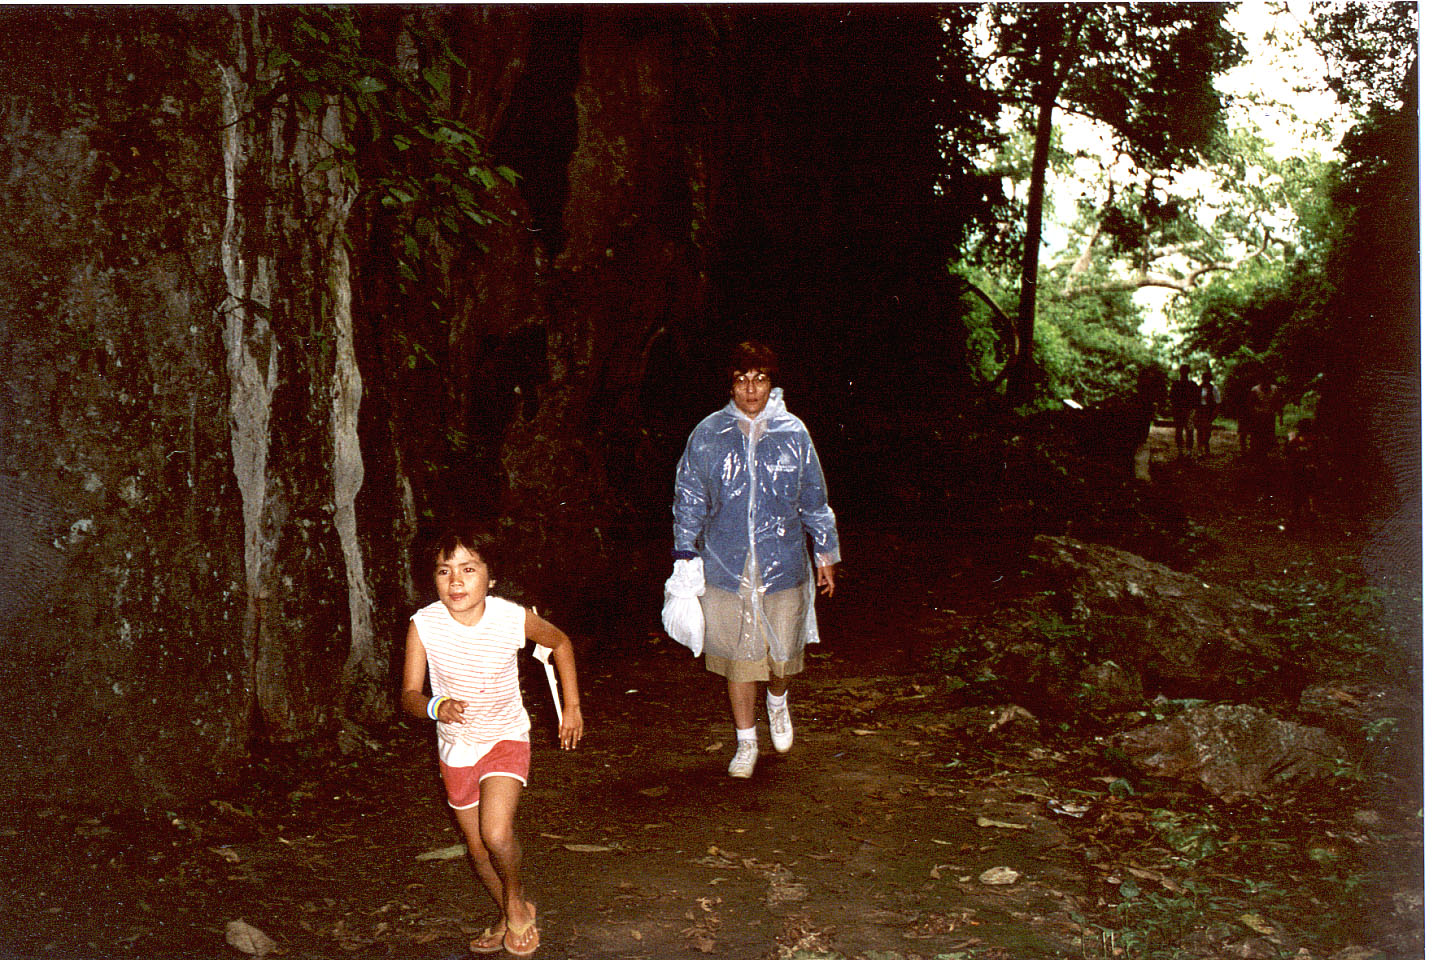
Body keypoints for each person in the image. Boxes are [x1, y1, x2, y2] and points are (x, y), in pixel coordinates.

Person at [401, 528, 583, 958]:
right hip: (456, 747)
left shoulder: (509, 617)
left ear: (491, 577)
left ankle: (515, 902)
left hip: (505, 736)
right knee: (478, 848)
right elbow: (409, 695)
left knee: (496, 832)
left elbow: (560, 642)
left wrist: (572, 707)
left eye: (468, 569)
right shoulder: (423, 625)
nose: (456, 582)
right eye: (445, 571)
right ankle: (507, 909)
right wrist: (434, 706)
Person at [672, 341, 841, 779]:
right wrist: (684, 553)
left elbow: (814, 498)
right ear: (730, 384)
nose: (751, 389)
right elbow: (689, 497)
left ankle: (778, 702)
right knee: (736, 656)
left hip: (782, 561)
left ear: (773, 382)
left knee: (783, 653)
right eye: (742, 379)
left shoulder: (794, 433)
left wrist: (825, 552)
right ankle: (746, 741)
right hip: (725, 565)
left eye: (760, 379)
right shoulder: (708, 434)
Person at [1285, 417, 1321, 525]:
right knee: (1308, 493)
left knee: (1298, 494)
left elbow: (1288, 454)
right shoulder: (1313, 441)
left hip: (1299, 472)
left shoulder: (1296, 442)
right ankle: (1308, 513)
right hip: (1306, 471)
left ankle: (1298, 514)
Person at [1245, 377, 1281, 461]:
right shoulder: (1255, 390)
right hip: (1258, 416)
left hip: (1269, 415)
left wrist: (1279, 414)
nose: (1265, 383)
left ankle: (1264, 453)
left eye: (1267, 381)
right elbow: (1250, 404)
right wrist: (1252, 415)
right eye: (1263, 381)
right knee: (1257, 435)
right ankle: (1256, 453)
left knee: (1268, 436)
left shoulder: (1274, 389)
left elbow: (1278, 402)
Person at [1169, 364, 1200, 456]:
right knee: (1182, 431)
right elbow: (1172, 398)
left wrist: (1193, 411)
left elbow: (1197, 400)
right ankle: (1183, 450)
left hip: (1186, 411)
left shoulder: (1190, 385)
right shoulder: (1178, 384)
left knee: (1186, 431)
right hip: (1181, 411)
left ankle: (1185, 450)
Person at [1195, 369, 1220, 457]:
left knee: (1207, 430)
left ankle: (1206, 446)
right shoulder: (1199, 388)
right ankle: (1200, 449)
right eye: (1204, 378)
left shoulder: (1213, 388)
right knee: (1199, 430)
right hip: (1200, 410)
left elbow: (1217, 401)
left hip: (1208, 411)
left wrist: (1215, 412)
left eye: (1206, 379)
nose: (1205, 380)